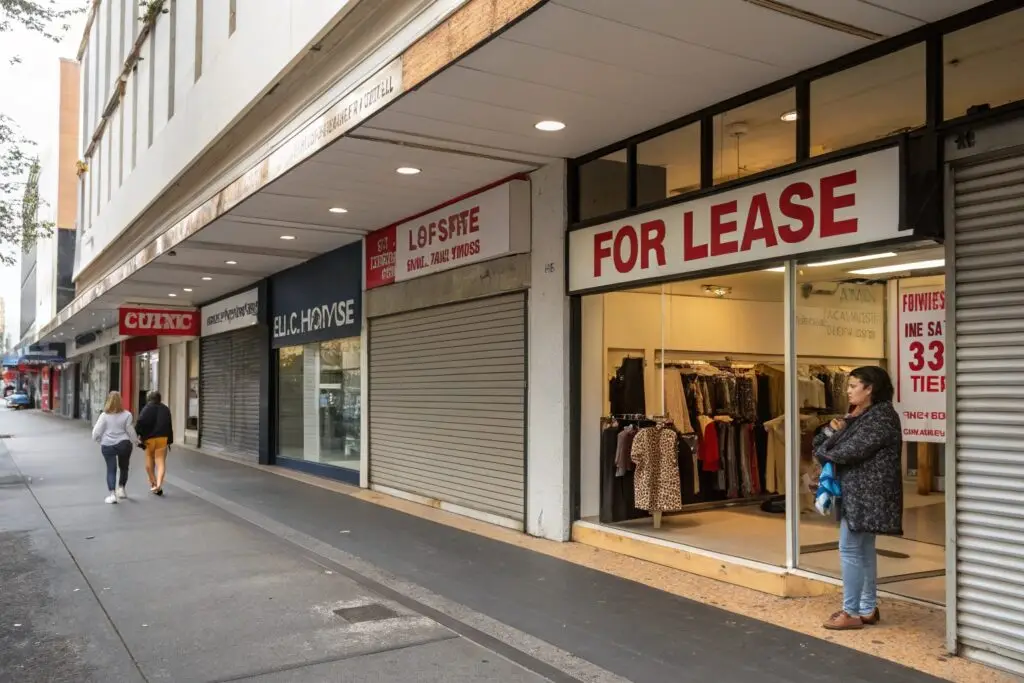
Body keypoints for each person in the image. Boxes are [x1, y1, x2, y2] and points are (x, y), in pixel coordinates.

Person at [813, 366, 903, 631]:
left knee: (850, 549)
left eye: (853, 386)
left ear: (870, 388)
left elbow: (846, 452)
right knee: (863, 551)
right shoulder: (859, 415)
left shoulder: (881, 418)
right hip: (860, 493)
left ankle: (850, 611)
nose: (848, 390)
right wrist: (831, 430)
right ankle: (866, 608)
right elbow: (824, 443)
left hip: (867, 496)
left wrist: (826, 448)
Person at [91, 391, 134, 504]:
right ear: (121, 401)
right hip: (123, 443)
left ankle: (112, 495)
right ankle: (122, 489)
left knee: (111, 469)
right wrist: (136, 441)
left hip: (107, 445)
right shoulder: (127, 415)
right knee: (124, 467)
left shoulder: (104, 416)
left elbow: (96, 432)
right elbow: (130, 430)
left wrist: (99, 440)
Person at [135, 390, 174, 496]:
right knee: (160, 461)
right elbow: (169, 425)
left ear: (149, 398)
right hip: (162, 438)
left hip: (149, 440)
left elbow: (140, 422)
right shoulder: (165, 409)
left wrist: (138, 435)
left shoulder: (146, 409)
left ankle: (153, 483)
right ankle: (159, 484)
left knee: (149, 462)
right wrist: (169, 440)